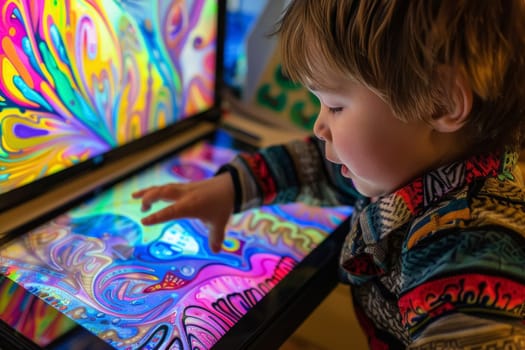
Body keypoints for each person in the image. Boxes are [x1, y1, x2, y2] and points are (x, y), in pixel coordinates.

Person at [132, 0, 525, 348]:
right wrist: (228, 189)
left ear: (440, 101)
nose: (319, 127)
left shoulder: (464, 255)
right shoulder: (418, 166)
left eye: (335, 107)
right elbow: (313, 166)